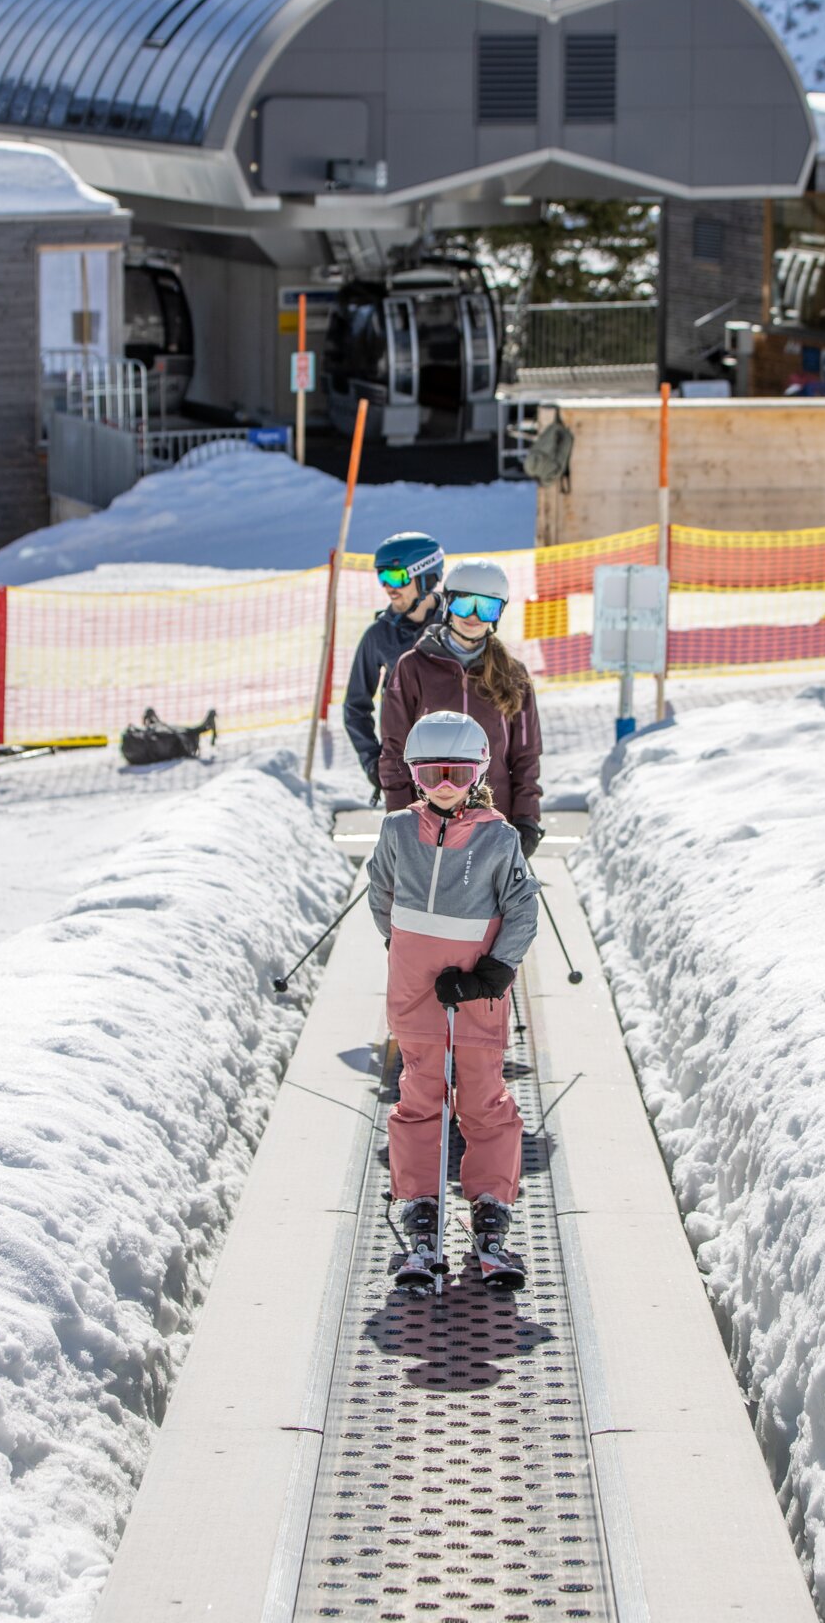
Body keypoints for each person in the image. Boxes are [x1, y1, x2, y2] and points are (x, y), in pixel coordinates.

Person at [366, 708, 539, 1293]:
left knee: (484, 1097)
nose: (445, 786)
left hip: (476, 995)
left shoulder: (498, 837)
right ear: (414, 775)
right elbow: (381, 894)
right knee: (419, 1096)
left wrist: (493, 971)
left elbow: (522, 908)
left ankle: (490, 1207)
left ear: (479, 773)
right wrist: (404, 950)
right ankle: (420, 1202)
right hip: (417, 995)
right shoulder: (396, 831)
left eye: (458, 775)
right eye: (432, 774)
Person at [378, 557, 544, 859]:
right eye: (465, 604)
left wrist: (526, 819)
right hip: (427, 824)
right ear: (448, 604)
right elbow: (394, 751)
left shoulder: (512, 674)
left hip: (494, 826)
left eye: (488, 607)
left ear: (499, 613)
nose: (475, 616)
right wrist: (400, 819)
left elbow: (526, 756)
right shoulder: (413, 667)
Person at [343, 531, 443, 799]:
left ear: (426, 575)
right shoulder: (378, 635)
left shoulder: (459, 624)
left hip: (459, 766)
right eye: (382, 577)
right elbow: (355, 705)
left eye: (397, 576)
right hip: (403, 772)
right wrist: (373, 762)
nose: (389, 587)